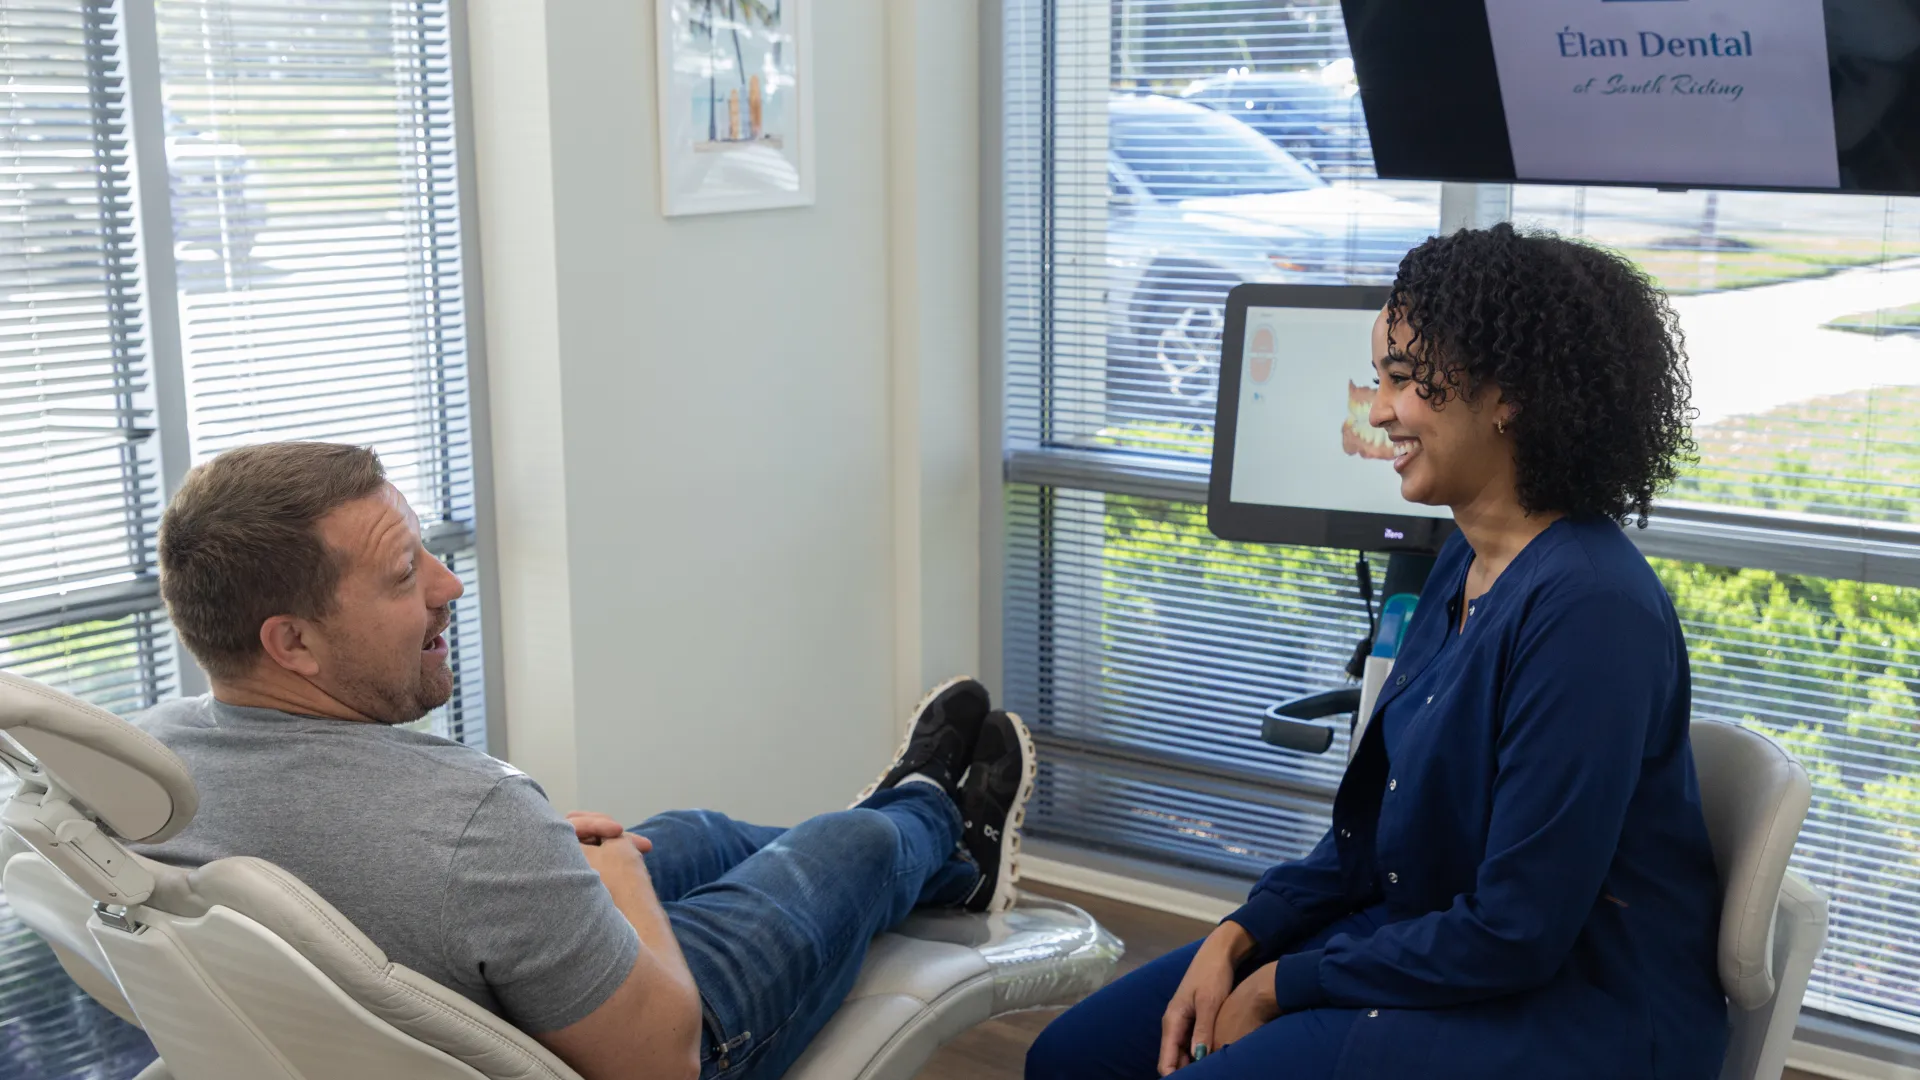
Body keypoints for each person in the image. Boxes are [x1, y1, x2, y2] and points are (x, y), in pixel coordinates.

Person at [1027, 223, 1726, 1080]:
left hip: (1570, 1010)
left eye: (1403, 380)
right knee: (1071, 1061)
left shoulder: (1591, 611)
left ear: (1506, 396)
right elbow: (1371, 840)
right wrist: (1242, 935)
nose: (1380, 408)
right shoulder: (1466, 559)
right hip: (1431, 940)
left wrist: (1285, 984)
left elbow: (1518, 931)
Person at [133, 440, 1036, 1080]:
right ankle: (933, 818)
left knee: (696, 832)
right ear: (292, 642)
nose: (448, 587)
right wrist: (617, 886)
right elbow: (660, 1066)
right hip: (632, 1045)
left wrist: (522, 863)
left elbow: (372, 864)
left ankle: (928, 856)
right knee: (851, 848)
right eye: (405, 577)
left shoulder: (152, 763)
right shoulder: (471, 817)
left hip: (434, 987)